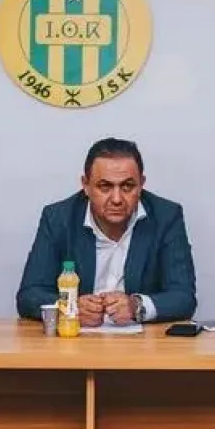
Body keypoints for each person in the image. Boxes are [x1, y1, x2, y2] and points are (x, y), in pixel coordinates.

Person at [16, 138, 197, 325]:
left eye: (127, 186)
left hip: (141, 339)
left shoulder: (166, 217)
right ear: (86, 185)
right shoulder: (58, 219)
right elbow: (29, 296)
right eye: (105, 186)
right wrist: (69, 307)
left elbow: (184, 297)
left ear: (141, 184)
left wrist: (137, 306)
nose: (117, 199)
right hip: (75, 337)